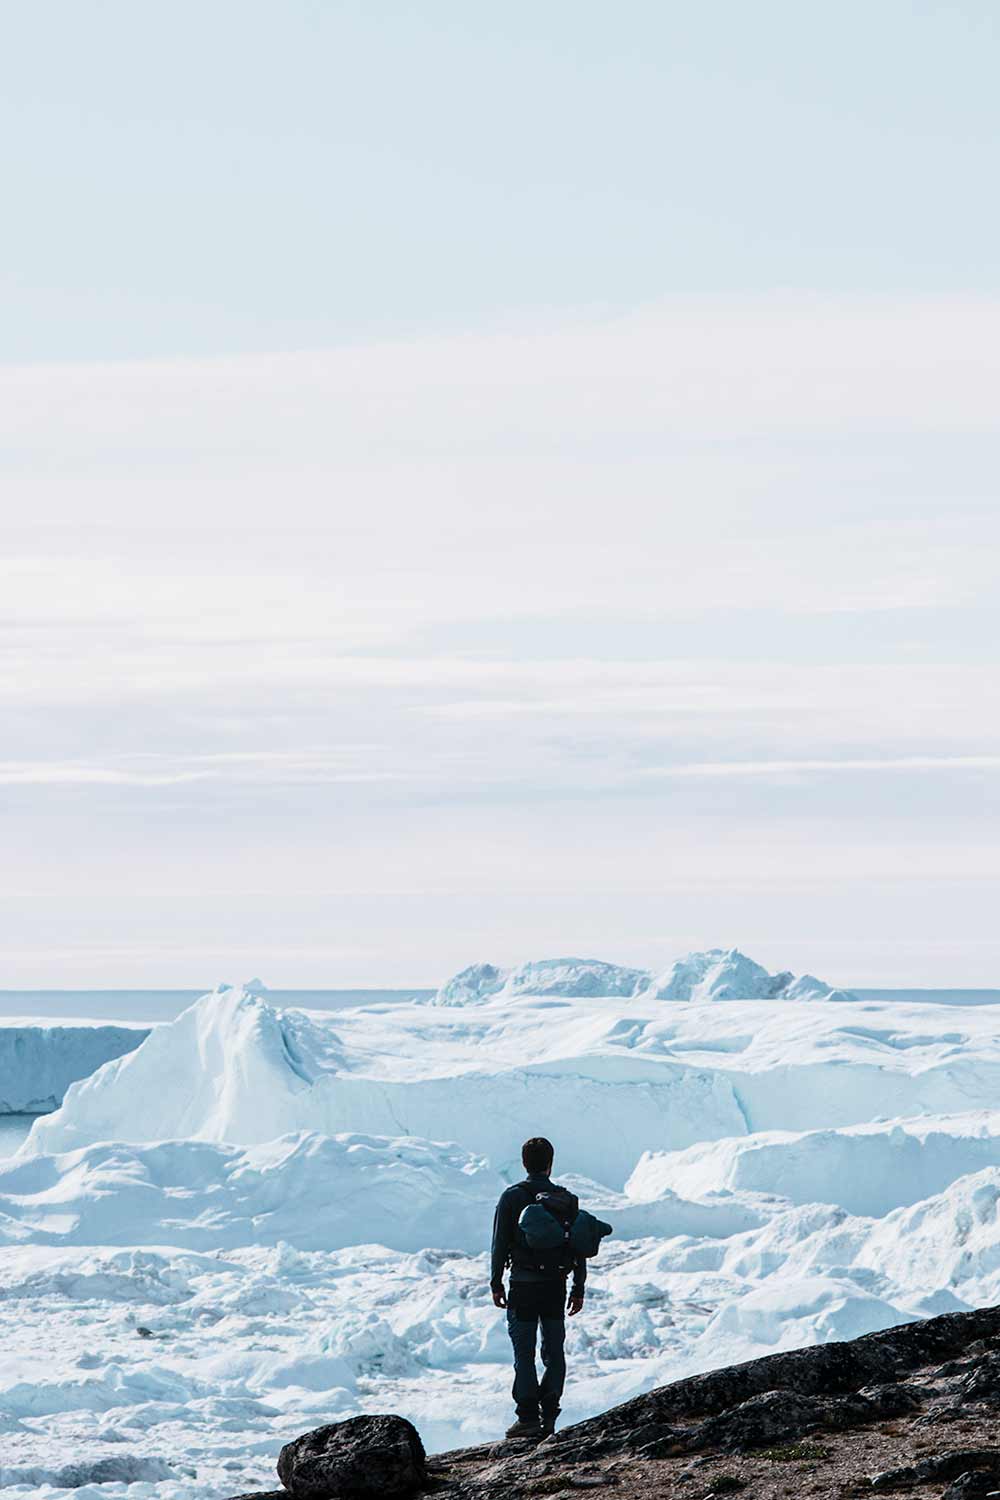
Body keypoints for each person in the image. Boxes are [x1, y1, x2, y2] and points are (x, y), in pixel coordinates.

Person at [490, 1136, 585, 1439]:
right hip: (556, 1285)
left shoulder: (512, 1197)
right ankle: (550, 1413)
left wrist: (495, 1282)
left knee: (524, 1352)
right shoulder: (566, 1199)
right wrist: (578, 1286)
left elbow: (499, 1242)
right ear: (551, 1163)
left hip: (523, 1285)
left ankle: (528, 1417)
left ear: (523, 1163)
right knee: (554, 1351)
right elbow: (579, 1244)